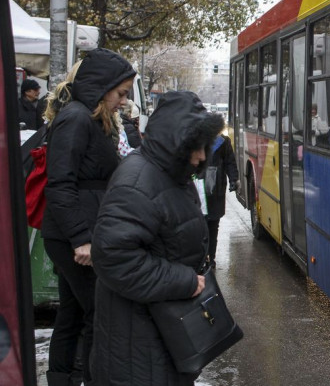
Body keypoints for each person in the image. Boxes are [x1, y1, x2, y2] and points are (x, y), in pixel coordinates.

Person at [91, 91, 225, 386]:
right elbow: (113, 257)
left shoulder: (170, 174)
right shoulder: (138, 182)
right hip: (139, 350)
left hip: (159, 337)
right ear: (176, 142)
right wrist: (185, 281)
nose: (203, 157)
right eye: (197, 147)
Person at [41, 48, 136, 386]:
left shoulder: (87, 118)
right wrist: (81, 238)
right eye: (120, 93)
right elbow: (60, 184)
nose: (123, 101)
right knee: (98, 312)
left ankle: (64, 378)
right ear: (101, 86)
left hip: (74, 232)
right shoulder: (77, 118)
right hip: (74, 236)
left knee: (72, 312)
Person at [204, 133, 239, 266]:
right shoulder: (195, 139)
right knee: (203, 226)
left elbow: (230, 162)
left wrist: (234, 179)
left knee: (213, 225)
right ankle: (205, 257)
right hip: (201, 190)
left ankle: (210, 257)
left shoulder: (223, 142)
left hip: (216, 191)